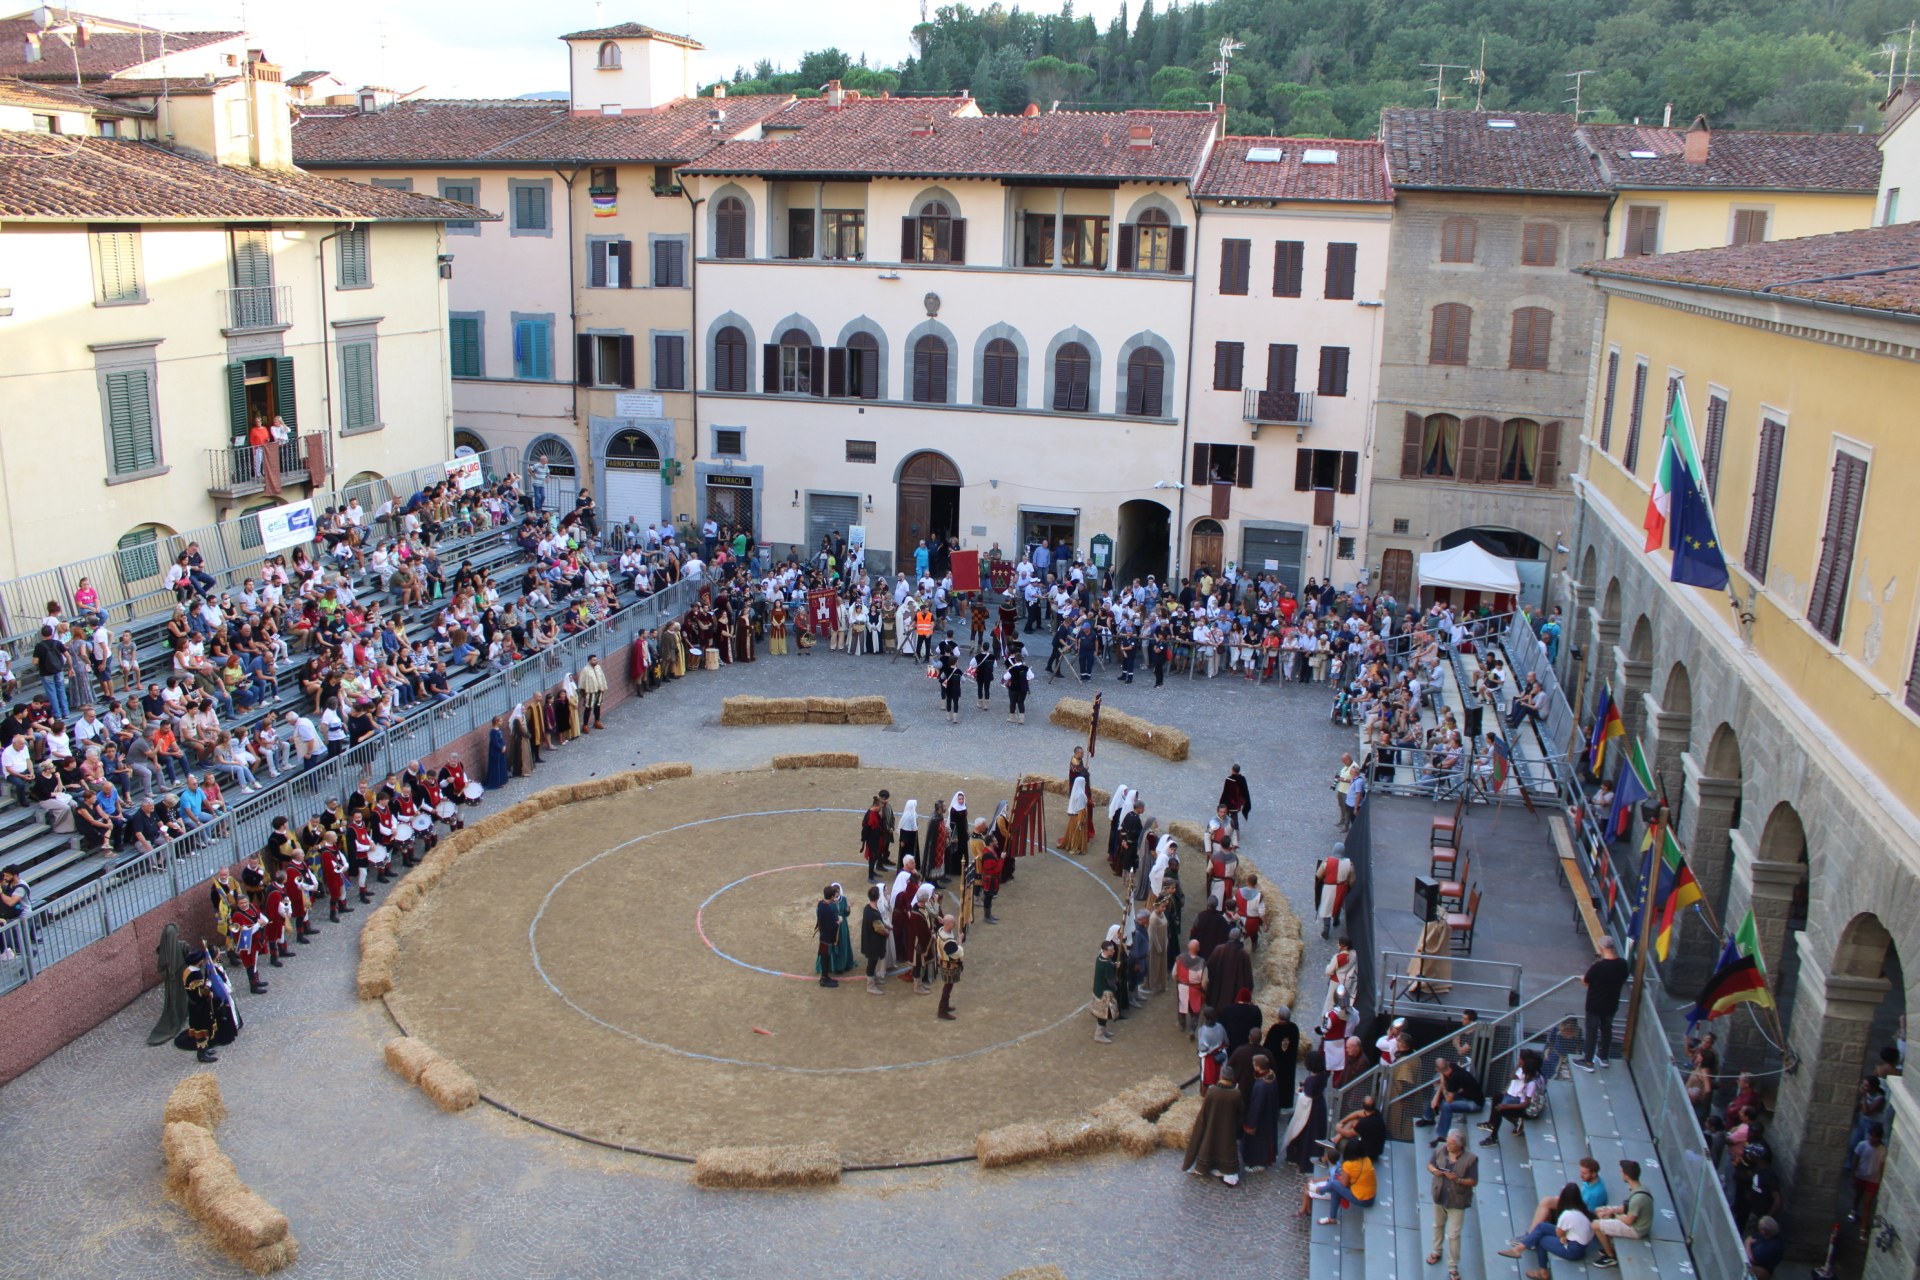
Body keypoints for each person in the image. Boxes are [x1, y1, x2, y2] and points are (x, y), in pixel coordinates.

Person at [1502, 1183, 1593, 1277]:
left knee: (1541, 1240)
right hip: (1577, 1242)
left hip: (1574, 1250)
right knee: (1541, 1226)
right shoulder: (1582, 1209)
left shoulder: (1567, 1214)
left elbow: (1559, 1233)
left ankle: (1543, 1273)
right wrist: (1563, 1236)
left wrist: (1562, 1236)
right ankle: (1519, 1249)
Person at [1184, 1063, 1247, 1185]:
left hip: (1211, 1127)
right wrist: (1235, 1125)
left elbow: (1204, 1111)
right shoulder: (1236, 1094)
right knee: (1226, 1149)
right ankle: (1227, 1174)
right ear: (1232, 1078)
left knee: (1209, 1145)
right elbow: (1241, 1113)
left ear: (1221, 1076)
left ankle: (1205, 1167)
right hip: (1228, 1129)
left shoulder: (1212, 1091)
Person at [1427, 1130, 1479, 1278]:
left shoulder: (1471, 1159)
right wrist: (1434, 1170)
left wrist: (1458, 1180)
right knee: (1437, 1225)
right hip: (1439, 1196)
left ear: (1460, 1145)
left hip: (1457, 1201)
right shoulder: (1440, 1149)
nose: (1447, 1145)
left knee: (1454, 1235)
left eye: (1451, 1143)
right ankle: (1436, 1251)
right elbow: (1430, 1164)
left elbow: (1474, 1181)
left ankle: (1453, 1266)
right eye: (1448, 1142)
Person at [1575, 936, 1632, 1070]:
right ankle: (1604, 1057)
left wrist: (1583, 978)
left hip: (1595, 1004)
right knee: (1607, 1029)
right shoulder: (1622, 964)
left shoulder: (1598, 966)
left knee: (1591, 1031)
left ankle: (1588, 1061)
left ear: (1601, 948)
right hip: (1611, 1003)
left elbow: (1586, 981)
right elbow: (1624, 977)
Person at [1590, 1159, 1656, 1268]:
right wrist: (1612, 1211)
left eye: (1622, 1172)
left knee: (1595, 1225)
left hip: (1637, 1229)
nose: (1620, 1174)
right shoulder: (1639, 1187)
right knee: (1599, 1211)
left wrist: (1614, 1216)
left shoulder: (1638, 1198)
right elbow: (1627, 1207)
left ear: (1627, 1176)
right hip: (1632, 1218)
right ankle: (1610, 1245)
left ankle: (1611, 1256)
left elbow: (1629, 1221)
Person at [1305, 1138, 1376, 1225]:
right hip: (1371, 1195)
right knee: (1335, 1191)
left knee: (1334, 1184)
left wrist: (1343, 1175)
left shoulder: (1348, 1165)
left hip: (1362, 1198)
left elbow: (1344, 1184)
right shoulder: (1367, 1160)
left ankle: (1320, 1190)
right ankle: (1332, 1218)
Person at [1481, 1049, 1546, 1143]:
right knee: (1497, 1097)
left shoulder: (1532, 1084)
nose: (1522, 1069)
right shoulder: (1539, 1076)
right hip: (1528, 1103)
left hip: (1529, 1111)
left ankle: (1493, 1138)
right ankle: (1493, 1124)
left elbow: (1526, 1104)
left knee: (1499, 1110)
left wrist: (1507, 1106)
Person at [1414, 1058, 1485, 1142]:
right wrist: (1437, 1095)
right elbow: (1442, 1079)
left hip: (1475, 1103)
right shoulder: (1452, 1066)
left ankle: (1442, 1136)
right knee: (1437, 1092)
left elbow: (1449, 1100)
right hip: (1465, 1096)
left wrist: (1443, 1086)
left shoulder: (1453, 1078)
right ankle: (1428, 1118)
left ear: (1437, 1070)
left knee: (1447, 1106)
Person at [1283, 1050, 1330, 1173]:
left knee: (1301, 1131)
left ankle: (1297, 1158)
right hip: (1319, 1106)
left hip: (1310, 1109)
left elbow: (1306, 1098)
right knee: (1315, 1133)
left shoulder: (1311, 1080)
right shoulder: (1324, 1074)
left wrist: (1299, 1092)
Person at [1242, 1055, 1281, 1171]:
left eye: (1254, 1065)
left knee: (1260, 1142)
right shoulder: (1271, 1076)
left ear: (1259, 1067)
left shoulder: (1261, 1086)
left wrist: (1251, 1123)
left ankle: (1259, 1163)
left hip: (1261, 1119)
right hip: (1269, 1113)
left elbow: (1256, 1106)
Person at [1852, 1122, 1886, 1239]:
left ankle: (1863, 1229)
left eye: (1875, 1136)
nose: (1872, 1138)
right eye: (1871, 1135)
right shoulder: (1862, 1145)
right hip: (1861, 1175)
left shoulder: (1882, 1150)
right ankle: (1854, 1211)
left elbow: (1881, 1166)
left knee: (1867, 1203)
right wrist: (1853, 1174)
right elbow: (1855, 1160)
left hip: (1873, 1179)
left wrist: (1880, 1182)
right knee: (1858, 1196)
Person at [860, 884, 890, 996]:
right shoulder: (873, 913)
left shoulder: (868, 908)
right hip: (873, 942)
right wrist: (887, 933)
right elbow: (880, 929)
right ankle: (870, 985)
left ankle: (873, 979)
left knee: (872, 961)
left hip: (869, 940)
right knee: (872, 962)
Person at [1175, 939, 1207, 1036]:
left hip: (1182, 987)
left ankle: (1182, 1025)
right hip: (1195, 989)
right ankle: (1192, 1030)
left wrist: (1178, 982)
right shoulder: (1202, 962)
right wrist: (1204, 990)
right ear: (1198, 949)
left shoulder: (1179, 958)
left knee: (1182, 1006)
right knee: (1195, 1010)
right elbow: (1204, 980)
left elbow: (1174, 974)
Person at [934, 915, 963, 1019]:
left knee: (948, 985)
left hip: (944, 961)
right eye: (953, 922)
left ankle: (945, 1006)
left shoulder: (941, 931)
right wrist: (960, 940)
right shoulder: (948, 941)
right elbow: (957, 953)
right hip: (949, 964)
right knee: (948, 986)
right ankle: (942, 1010)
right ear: (947, 924)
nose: (955, 924)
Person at [1091, 939, 1120, 1043]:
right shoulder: (1106, 964)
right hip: (1105, 992)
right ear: (1105, 950)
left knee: (1103, 1013)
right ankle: (1099, 1034)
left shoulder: (1101, 958)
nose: (1114, 952)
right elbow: (1110, 981)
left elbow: (1109, 963)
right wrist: (1116, 988)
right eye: (1111, 950)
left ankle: (1103, 1031)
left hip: (1099, 990)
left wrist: (1114, 964)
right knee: (1104, 1013)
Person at [814, 885, 842, 989]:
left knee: (825, 955)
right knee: (825, 956)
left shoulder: (821, 904)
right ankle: (824, 978)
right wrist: (838, 921)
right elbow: (832, 926)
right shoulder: (828, 909)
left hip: (823, 935)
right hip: (826, 937)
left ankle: (825, 977)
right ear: (831, 897)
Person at [1218, 763, 1252, 828]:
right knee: (1234, 816)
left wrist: (1222, 802)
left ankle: (1227, 830)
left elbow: (1225, 792)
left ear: (1232, 770)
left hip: (1229, 802)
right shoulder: (1242, 779)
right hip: (1237, 803)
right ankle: (1236, 831)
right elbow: (1245, 791)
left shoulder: (1228, 779)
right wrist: (1244, 802)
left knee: (1226, 816)